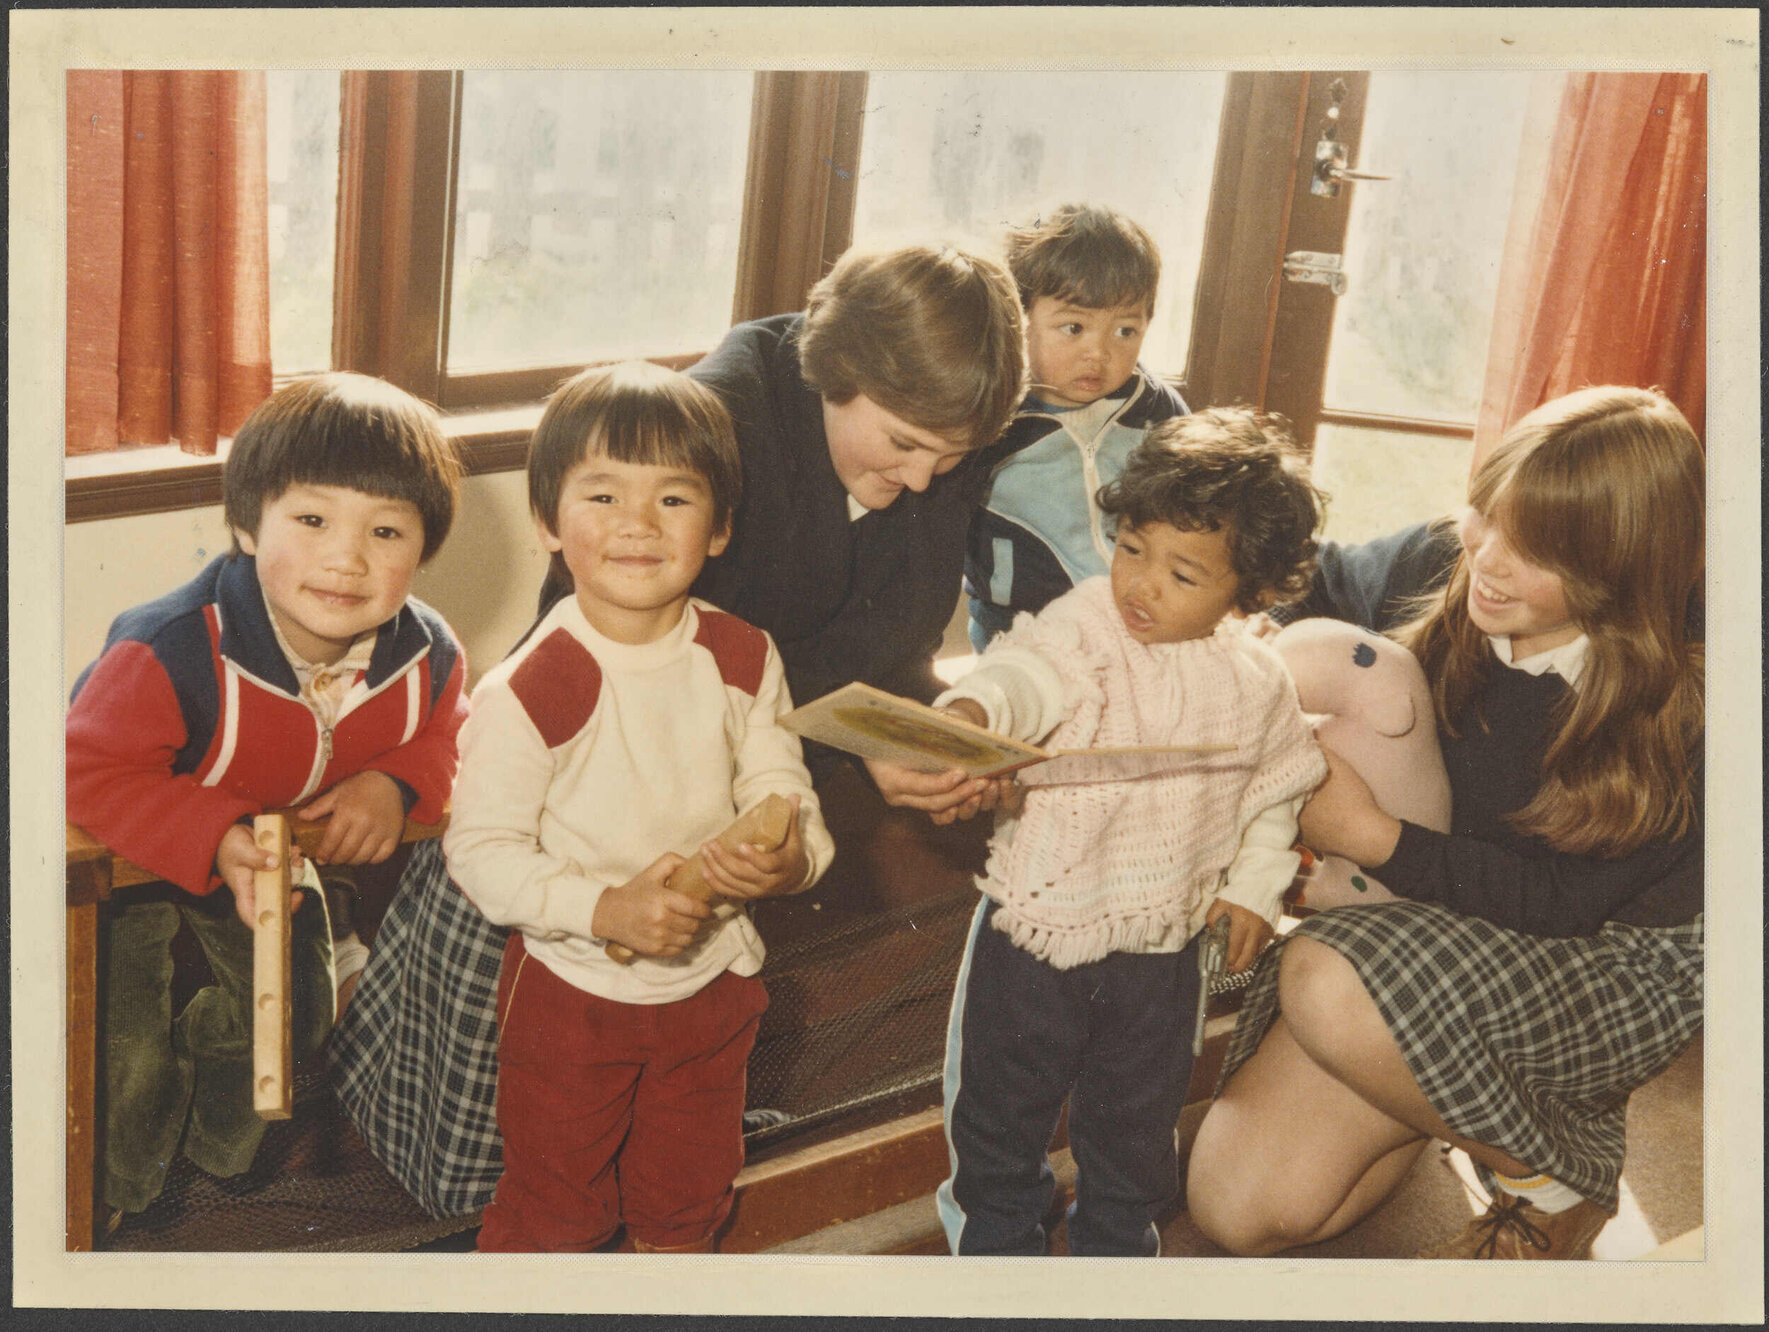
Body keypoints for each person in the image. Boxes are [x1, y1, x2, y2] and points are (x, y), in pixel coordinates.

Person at [330, 240, 1028, 1217]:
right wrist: (853, 745)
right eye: (903, 446)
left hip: (731, 786)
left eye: (948, 461)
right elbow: (614, 646)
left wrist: (906, 737)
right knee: (508, 1155)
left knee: (665, 1133)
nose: (921, 480)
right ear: (837, 375)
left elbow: (886, 650)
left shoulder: (932, 440)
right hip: (586, 772)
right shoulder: (716, 424)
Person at [1185, 386, 1705, 1262]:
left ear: (1620, 572)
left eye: (1534, 550)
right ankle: (1434, 1079)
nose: (1489, 561)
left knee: (1323, 972)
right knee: (1237, 1209)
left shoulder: (1683, 705)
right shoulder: (1451, 561)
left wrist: (1367, 835)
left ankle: (1547, 1175)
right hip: (1455, 904)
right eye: (1486, 519)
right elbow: (1316, 582)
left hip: (1600, 959)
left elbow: (1555, 904)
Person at [442, 361, 834, 1253]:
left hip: (713, 980)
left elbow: (785, 793)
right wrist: (606, 907)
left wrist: (791, 857)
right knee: (557, 1210)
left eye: (673, 499)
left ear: (720, 526)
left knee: (687, 1199)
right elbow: (481, 853)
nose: (636, 525)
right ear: (548, 522)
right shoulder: (536, 685)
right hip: (575, 994)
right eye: (603, 495)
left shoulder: (741, 654)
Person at [65, 373, 467, 1225]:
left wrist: (395, 783)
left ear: (422, 551)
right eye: (313, 520)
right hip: (133, 853)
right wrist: (211, 836)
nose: (347, 557)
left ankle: (214, 1159)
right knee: (124, 1052)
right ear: (248, 525)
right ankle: (108, 1199)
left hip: (268, 860)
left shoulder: (427, 652)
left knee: (296, 1012)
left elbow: (450, 734)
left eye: (386, 530)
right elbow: (84, 772)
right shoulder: (166, 647)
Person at [931, 409, 1329, 1255]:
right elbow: (1027, 673)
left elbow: (1275, 792)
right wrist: (974, 709)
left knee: (1134, 1129)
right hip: (1034, 928)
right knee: (998, 1119)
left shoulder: (1255, 679)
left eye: (1183, 573)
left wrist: (1252, 889)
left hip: (1161, 943)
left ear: (1247, 594)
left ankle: (1115, 1256)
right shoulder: (1084, 621)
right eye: (1131, 547)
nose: (1141, 585)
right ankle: (992, 1261)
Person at [965, 202, 1189, 651]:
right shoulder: (992, 419)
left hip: (1137, 627)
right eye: (1073, 327)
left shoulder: (1154, 409)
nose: (1099, 353)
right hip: (1020, 631)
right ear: (1020, 319)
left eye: (1125, 332)